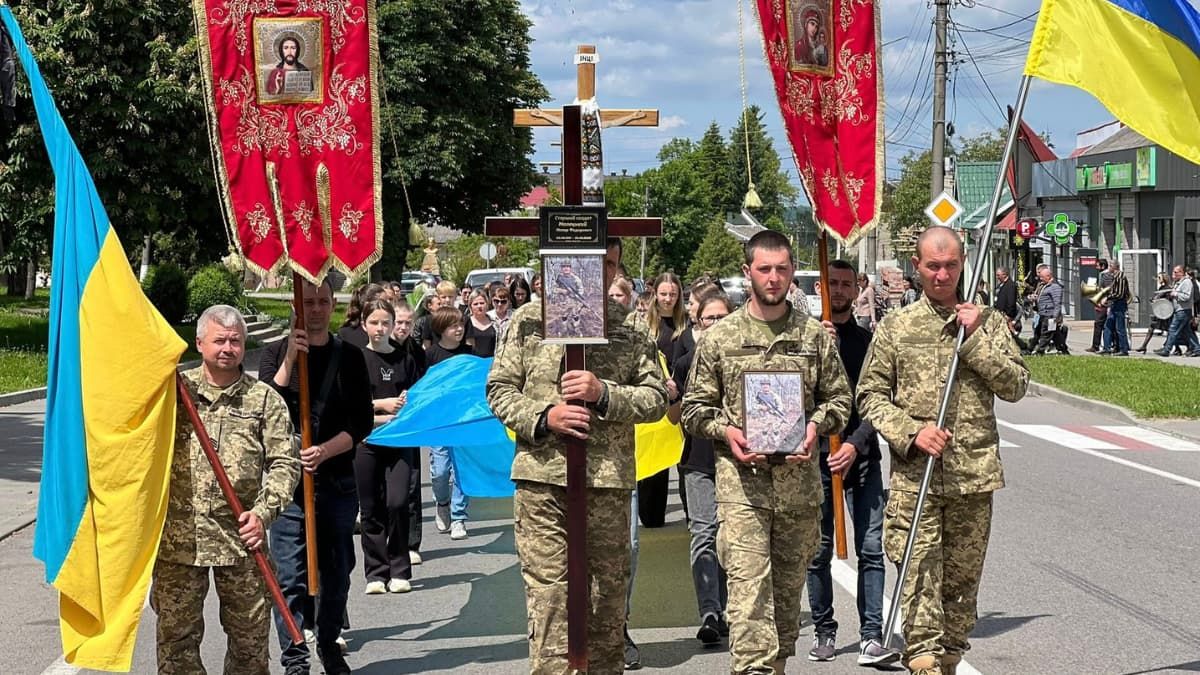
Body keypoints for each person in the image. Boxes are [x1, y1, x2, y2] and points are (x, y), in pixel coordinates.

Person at [487, 237, 668, 674]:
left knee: (607, 597)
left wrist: (603, 393)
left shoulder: (629, 326)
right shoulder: (530, 321)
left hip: (606, 481)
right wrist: (545, 415)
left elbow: (656, 397)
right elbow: (498, 389)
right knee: (551, 599)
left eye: (609, 265)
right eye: (592, 262)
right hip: (542, 478)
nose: (602, 273)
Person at [857, 226, 1029, 675]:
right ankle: (923, 659)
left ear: (962, 264)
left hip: (973, 477)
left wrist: (973, 341)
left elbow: (1016, 385)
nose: (942, 274)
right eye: (933, 266)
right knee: (918, 581)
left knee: (960, 589)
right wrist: (910, 431)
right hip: (918, 479)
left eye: (951, 265)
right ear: (917, 267)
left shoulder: (986, 322)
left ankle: (949, 658)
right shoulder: (896, 327)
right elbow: (870, 395)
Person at [682, 230, 852, 675]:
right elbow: (693, 409)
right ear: (747, 273)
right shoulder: (722, 339)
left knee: (783, 606)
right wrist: (728, 431)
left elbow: (841, 400)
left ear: (792, 272)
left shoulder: (814, 337)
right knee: (748, 601)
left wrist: (816, 426)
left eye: (781, 268)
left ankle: (773, 666)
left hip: (798, 494)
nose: (773, 278)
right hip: (743, 493)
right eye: (764, 269)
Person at [155, 305, 300, 674]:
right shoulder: (174, 393)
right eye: (219, 340)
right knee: (176, 646)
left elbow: (286, 464)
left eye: (235, 341)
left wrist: (263, 514)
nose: (228, 348)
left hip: (241, 541)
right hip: (179, 543)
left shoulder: (264, 400)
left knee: (250, 647)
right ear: (199, 342)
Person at [259, 279, 373, 675]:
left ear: (334, 304)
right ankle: (295, 659)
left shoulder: (351, 357)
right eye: (308, 301)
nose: (317, 308)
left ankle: (327, 642)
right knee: (288, 578)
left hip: (337, 483)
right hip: (288, 491)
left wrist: (324, 451)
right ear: (296, 306)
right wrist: (291, 359)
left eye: (323, 300)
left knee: (336, 573)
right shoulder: (275, 354)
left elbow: (362, 422)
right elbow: (265, 409)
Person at [805, 262, 900, 666]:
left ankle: (871, 635)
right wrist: (814, 351)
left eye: (846, 283)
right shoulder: (805, 338)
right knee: (818, 551)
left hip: (860, 459)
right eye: (833, 284)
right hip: (817, 462)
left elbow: (877, 401)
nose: (840, 290)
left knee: (871, 548)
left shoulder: (867, 341)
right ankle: (825, 631)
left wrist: (856, 445)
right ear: (820, 288)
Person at [672, 292, 733, 646]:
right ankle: (710, 612)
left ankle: (730, 609)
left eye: (723, 317)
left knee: (731, 538)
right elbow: (671, 417)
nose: (716, 324)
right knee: (704, 534)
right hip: (698, 462)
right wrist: (673, 397)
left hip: (736, 460)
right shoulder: (686, 361)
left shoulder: (743, 356)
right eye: (710, 318)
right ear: (698, 322)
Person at [355, 299, 423, 596]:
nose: (380, 329)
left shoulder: (404, 358)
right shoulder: (355, 359)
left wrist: (408, 404)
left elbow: (418, 397)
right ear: (364, 325)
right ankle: (376, 572)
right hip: (367, 440)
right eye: (374, 323)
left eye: (386, 322)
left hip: (399, 441)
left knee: (397, 502)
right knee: (371, 509)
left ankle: (399, 569)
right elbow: (350, 405)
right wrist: (381, 407)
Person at [637, 272, 687, 529]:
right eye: (664, 293)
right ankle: (651, 517)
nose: (668, 299)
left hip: (683, 397)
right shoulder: (643, 324)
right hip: (655, 397)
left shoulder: (686, 324)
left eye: (673, 294)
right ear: (655, 294)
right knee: (654, 463)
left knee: (685, 460)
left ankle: (692, 515)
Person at [426, 307, 474, 540]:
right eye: (454, 326)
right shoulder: (431, 355)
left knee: (461, 470)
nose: (459, 329)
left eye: (461, 325)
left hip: (464, 420)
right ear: (441, 329)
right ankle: (442, 502)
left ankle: (458, 517)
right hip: (439, 421)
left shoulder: (469, 352)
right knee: (440, 471)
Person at [391, 302, 427, 565]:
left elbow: (424, 382)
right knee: (389, 492)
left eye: (408, 323)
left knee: (413, 485)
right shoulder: (379, 347)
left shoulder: (415, 350)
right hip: (383, 424)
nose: (403, 328)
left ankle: (412, 543)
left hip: (411, 424)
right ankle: (389, 542)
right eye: (399, 322)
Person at [1154, 265, 1200, 357]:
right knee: (1187, 332)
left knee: (1173, 329)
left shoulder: (1187, 282)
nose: (1173, 274)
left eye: (1175, 272)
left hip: (1183, 310)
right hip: (1179, 310)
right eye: (1173, 272)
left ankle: (1167, 350)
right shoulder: (1179, 282)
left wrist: (1175, 294)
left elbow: (1186, 296)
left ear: (1181, 273)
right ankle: (1197, 349)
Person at [1031, 264, 1066, 355]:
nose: (1040, 279)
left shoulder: (1055, 286)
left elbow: (1057, 303)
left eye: (1042, 277)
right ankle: (1063, 349)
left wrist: (1055, 317)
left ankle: (1040, 351)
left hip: (1049, 315)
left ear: (1048, 276)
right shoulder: (1045, 285)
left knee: (1046, 333)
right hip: (1043, 314)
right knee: (1055, 334)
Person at [1135, 273, 1174, 354]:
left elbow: (1167, 300)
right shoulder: (1161, 288)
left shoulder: (1168, 289)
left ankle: (1172, 347)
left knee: (1170, 330)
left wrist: (1156, 299)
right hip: (1160, 312)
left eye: (1159, 277)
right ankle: (1144, 346)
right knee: (1152, 328)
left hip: (1165, 313)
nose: (1158, 279)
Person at [1100, 260, 1132, 356]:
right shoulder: (1114, 277)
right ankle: (1106, 348)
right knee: (1108, 326)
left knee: (1120, 328)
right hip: (1114, 304)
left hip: (1119, 304)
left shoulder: (1120, 277)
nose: (1108, 268)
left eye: (1110, 266)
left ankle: (1124, 350)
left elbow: (1119, 294)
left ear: (1114, 267)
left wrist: (1107, 298)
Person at [1085, 260, 1114, 353]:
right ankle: (1110, 345)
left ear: (1102, 266)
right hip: (1106, 303)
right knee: (1107, 325)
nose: (1096, 268)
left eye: (1098, 266)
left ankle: (1096, 346)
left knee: (1099, 324)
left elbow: (1105, 290)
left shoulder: (1105, 276)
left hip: (1104, 304)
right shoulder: (1108, 275)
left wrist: (1099, 300)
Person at [463, 288, 498, 357]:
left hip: (492, 362)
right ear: (470, 306)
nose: (479, 306)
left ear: (487, 304)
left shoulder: (495, 322)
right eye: (475, 304)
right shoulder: (465, 322)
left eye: (482, 303)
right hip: (473, 363)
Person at [992, 267, 1018, 332]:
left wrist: (1008, 315)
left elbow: (1011, 301)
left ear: (1004, 274)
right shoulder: (1001, 285)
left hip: (1006, 315)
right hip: (1000, 314)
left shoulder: (1010, 285)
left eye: (998, 275)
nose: (997, 277)